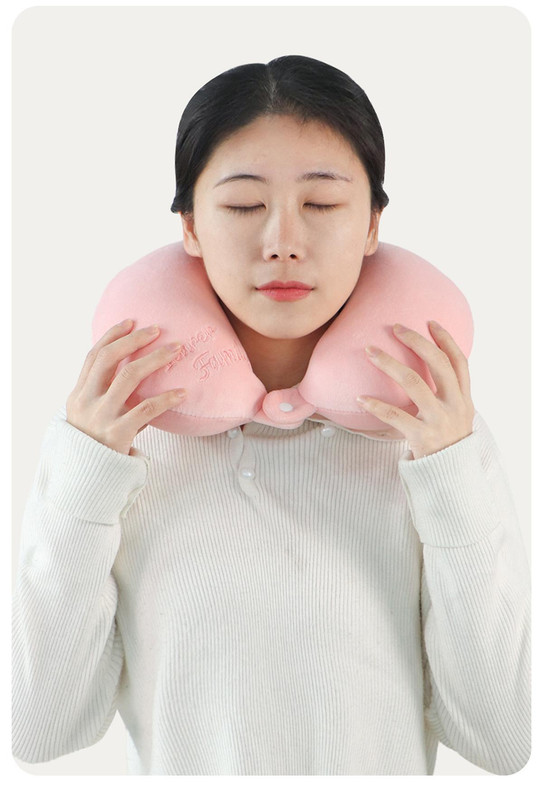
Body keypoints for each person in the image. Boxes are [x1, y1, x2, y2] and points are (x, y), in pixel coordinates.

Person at [12, 55, 530, 775]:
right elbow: (40, 729)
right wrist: (85, 477)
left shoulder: (435, 435)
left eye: (322, 204)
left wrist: (450, 476)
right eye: (243, 206)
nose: (283, 239)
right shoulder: (115, 442)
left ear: (373, 224)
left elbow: (501, 740)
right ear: (190, 226)